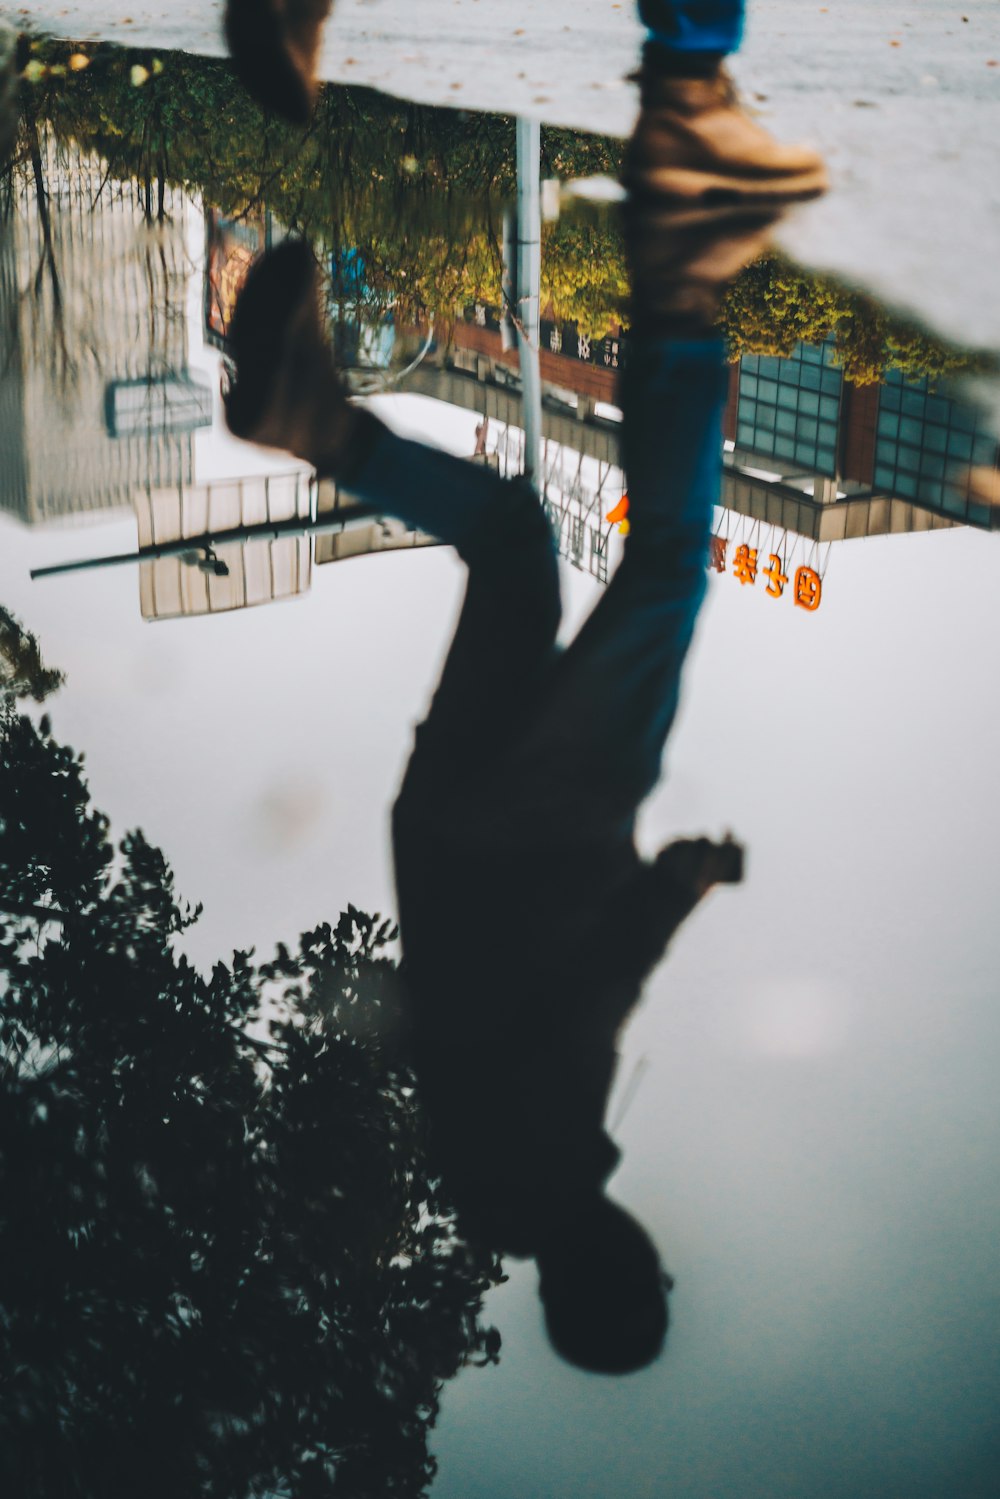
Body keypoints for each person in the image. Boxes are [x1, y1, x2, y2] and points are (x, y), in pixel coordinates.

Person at [221, 3, 826, 1375]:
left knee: (673, 555)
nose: (656, 1254)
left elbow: (588, 991)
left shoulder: (543, 1173)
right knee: (509, 538)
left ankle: (683, 289)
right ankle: (317, 425)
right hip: (443, 830)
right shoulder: (491, 1179)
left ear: (608, 1283)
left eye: (647, 1280)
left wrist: (679, 885)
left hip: (544, 827)